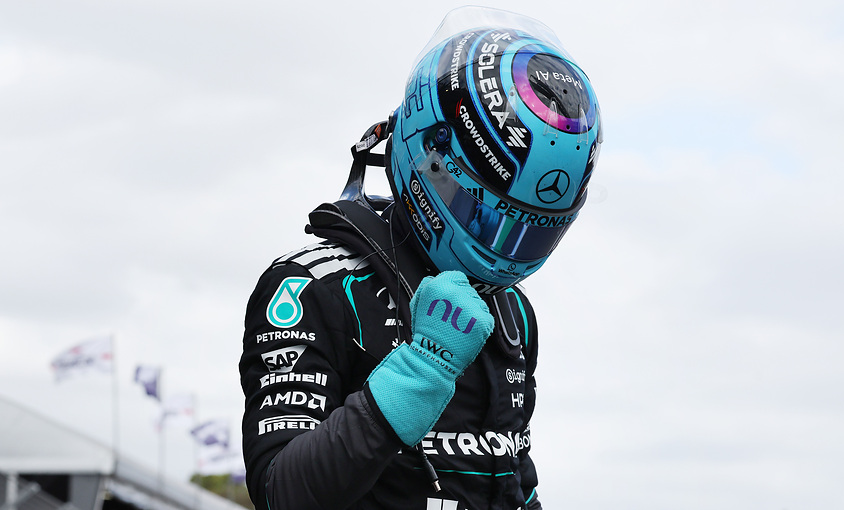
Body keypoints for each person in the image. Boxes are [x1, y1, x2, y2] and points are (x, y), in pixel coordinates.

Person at [239, 6, 602, 509]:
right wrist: (420, 371)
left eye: (530, 235)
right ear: (431, 161)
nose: (505, 253)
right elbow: (282, 491)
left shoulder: (512, 313)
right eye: (487, 217)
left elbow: (513, 479)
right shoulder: (310, 288)